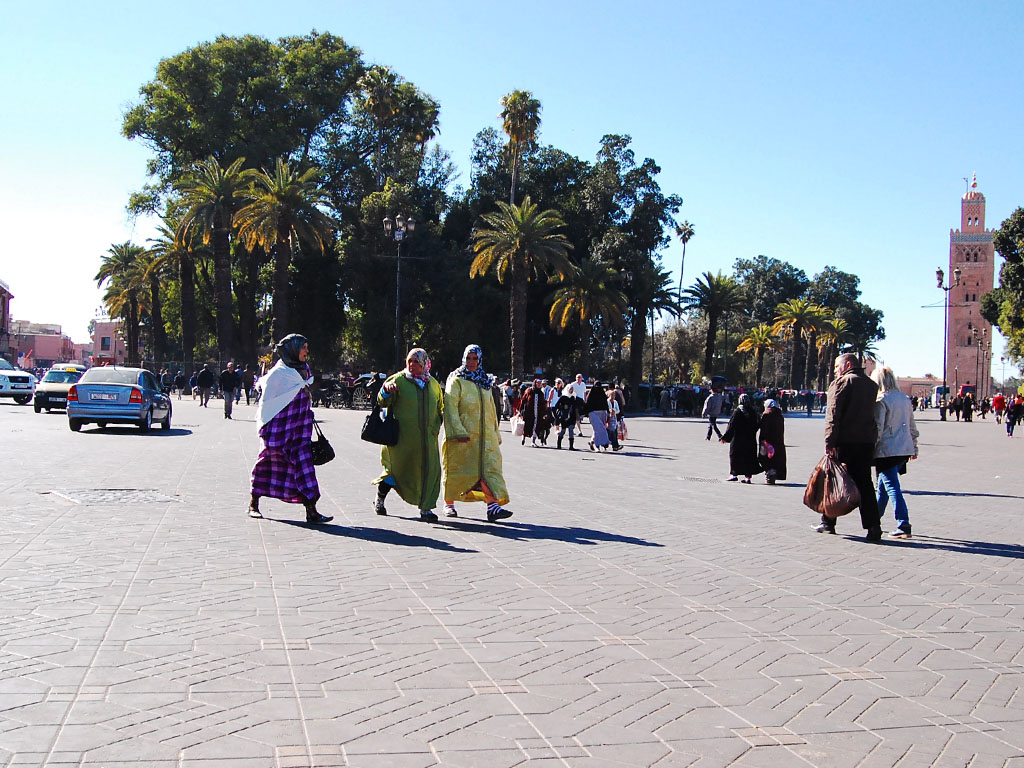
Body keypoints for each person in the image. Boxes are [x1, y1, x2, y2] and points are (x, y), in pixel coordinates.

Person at [248, 334, 332, 524]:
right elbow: (267, 403)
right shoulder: (278, 373)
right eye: (303, 347)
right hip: (278, 430)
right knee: (267, 464)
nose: (306, 351)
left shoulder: (304, 369)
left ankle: (311, 511)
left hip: (300, 430)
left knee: (305, 468)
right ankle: (253, 503)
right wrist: (267, 428)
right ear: (293, 349)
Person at [441, 345, 512, 522]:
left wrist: (495, 433)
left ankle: (492, 507)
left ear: (480, 360)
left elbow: (491, 410)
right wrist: (457, 431)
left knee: (487, 470)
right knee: (456, 470)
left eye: (475, 358)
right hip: (462, 439)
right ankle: (448, 504)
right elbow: (450, 407)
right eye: (469, 358)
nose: (471, 362)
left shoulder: (485, 382)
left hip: (485, 439)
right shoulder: (456, 380)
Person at [373, 348, 444, 523]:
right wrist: (386, 391)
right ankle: (380, 499)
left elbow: (440, 407)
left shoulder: (433, 384)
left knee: (429, 472)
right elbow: (381, 400)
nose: (412, 365)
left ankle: (426, 508)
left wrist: (435, 426)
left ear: (424, 363)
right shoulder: (398, 380)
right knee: (394, 472)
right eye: (409, 361)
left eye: (416, 362)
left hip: (427, 439)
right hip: (402, 439)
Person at [817, 353, 882, 541]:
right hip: (866, 442)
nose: (836, 372)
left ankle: (828, 522)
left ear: (846, 365)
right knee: (865, 484)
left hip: (844, 442)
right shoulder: (871, 385)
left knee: (833, 479)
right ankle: (873, 526)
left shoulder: (842, 383)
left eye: (837, 368)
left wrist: (829, 443)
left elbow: (833, 416)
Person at [870, 366, 919, 539]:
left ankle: (903, 523)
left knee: (891, 486)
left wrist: (870, 449)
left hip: (887, 449)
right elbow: (911, 425)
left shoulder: (881, 400)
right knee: (883, 487)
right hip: (903, 448)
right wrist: (914, 445)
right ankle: (874, 520)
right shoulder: (904, 399)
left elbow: (878, 428)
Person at [720, 393, 761, 482]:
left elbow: (731, 425)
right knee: (749, 457)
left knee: (735, 456)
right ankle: (748, 477)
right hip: (750, 439)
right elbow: (758, 424)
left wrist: (725, 438)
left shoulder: (738, 411)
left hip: (738, 440)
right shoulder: (753, 412)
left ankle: (734, 474)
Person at [758, 399, 787, 484]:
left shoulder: (766, 415)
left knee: (765, 459)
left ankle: (770, 473)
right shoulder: (780, 416)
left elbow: (764, 429)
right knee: (776, 460)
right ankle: (773, 474)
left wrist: (763, 440)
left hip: (767, 442)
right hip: (779, 441)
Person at [584, 381, 612, 451]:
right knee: (598, 429)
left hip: (603, 412)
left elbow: (605, 404)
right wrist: (586, 413)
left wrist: (608, 414)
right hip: (593, 412)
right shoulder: (591, 394)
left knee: (600, 428)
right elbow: (588, 403)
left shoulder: (602, 394)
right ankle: (597, 445)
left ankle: (592, 442)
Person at [520, 379, 549, 446]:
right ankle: (523, 437)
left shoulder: (541, 393)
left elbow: (543, 404)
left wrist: (545, 413)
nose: (539, 384)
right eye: (538, 383)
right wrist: (520, 411)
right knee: (527, 425)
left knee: (536, 426)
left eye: (540, 383)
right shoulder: (529, 391)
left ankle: (533, 441)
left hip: (538, 413)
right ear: (535, 383)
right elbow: (523, 400)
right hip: (529, 413)